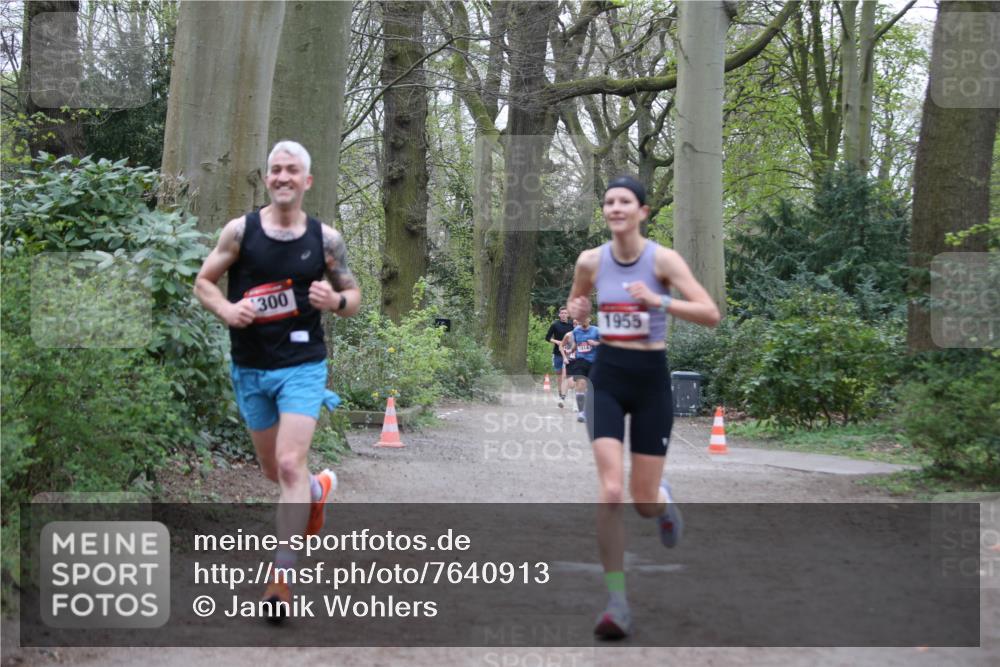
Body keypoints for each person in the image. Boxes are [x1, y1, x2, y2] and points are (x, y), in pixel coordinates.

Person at [193, 140, 361, 620]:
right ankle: (315, 491)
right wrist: (227, 308)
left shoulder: (325, 240)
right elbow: (204, 281)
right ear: (267, 179)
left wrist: (337, 303)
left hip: (303, 366)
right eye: (276, 170)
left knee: (289, 463)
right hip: (250, 367)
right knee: (274, 471)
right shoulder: (239, 232)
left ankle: (281, 576)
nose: (283, 177)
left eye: (293, 171)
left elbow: (354, 295)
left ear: (307, 182)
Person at [566, 175, 720, 640]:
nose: (615, 208)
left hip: (651, 380)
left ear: (643, 211)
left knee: (644, 502)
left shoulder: (663, 260)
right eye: (609, 202)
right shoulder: (590, 260)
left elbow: (710, 312)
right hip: (607, 378)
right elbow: (579, 301)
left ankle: (664, 504)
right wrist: (578, 312)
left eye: (624, 202)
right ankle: (616, 602)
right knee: (611, 490)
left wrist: (659, 301)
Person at [561, 314, 600, 422]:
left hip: (594, 362)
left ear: (589, 319)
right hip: (580, 361)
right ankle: (581, 412)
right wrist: (570, 351)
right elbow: (576, 345)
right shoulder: (576, 331)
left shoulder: (597, 331)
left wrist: (595, 343)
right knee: (580, 384)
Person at [544, 307, 575, 407]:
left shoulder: (572, 325)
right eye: (562, 313)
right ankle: (560, 395)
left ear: (568, 315)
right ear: (559, 315)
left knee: (567, 375)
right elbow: (547, 338)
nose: (563, 315)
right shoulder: (555, 325)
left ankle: (566, 394)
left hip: (569, 353)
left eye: (565, 313)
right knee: (559, 375)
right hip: (557, 353)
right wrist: (556, 341)